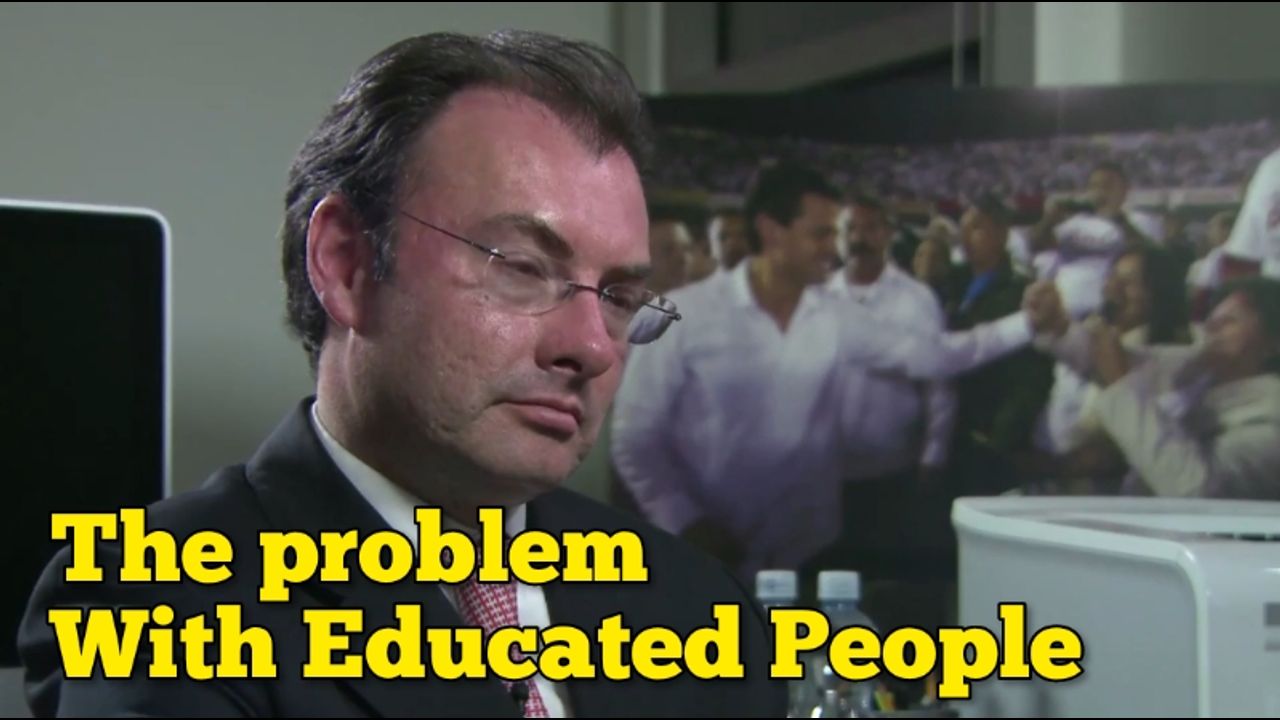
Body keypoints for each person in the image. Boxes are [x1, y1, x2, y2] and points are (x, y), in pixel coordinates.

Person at [18, 31, 785, 719]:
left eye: (617, 297)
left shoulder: (703, 612)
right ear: (347, 264)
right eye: (523, 267)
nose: (592, 347)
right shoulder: (154, 602)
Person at [611, 163, 1063, 585]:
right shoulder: (682, 316)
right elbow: (634, 437)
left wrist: (1027, 323)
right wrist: (685, 522)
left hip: (812, 557)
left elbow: (937, 356)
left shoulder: (835, 317)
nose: (836, 247)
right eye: (821, 233)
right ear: (771, 231)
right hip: (704, 560)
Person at [1027, 276, 1280, 499]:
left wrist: (1119, 382)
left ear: (1273, 343)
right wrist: (1058, 329)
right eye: (1212, 318)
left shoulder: (1270, 421)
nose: (1211, 327)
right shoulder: (1197, 369)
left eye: (1229, 321)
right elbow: (1124, 362)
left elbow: (1195, 488)